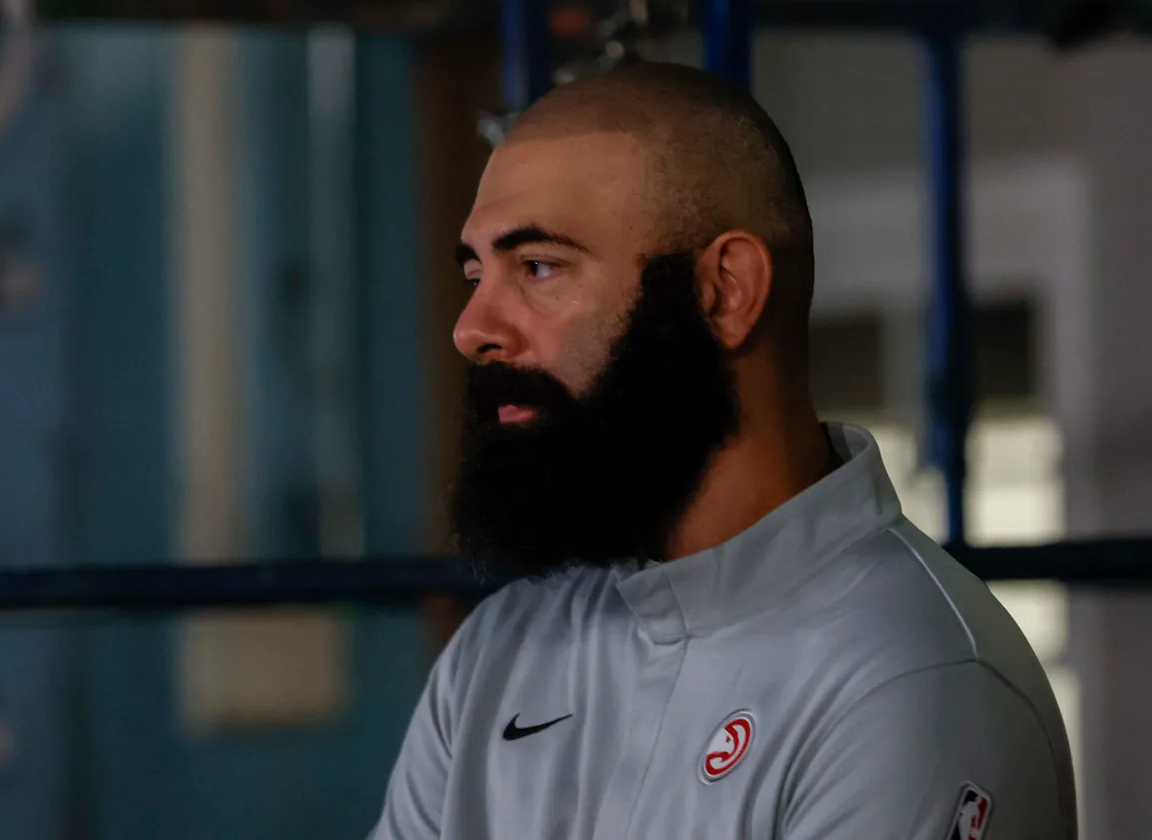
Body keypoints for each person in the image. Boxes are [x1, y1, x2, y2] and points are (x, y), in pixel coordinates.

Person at [369, 61, 1077, 840]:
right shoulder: (497, 655)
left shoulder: (912, 681)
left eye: (538, 267)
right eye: (476, 273)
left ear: (724, 290)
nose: (472, 328)